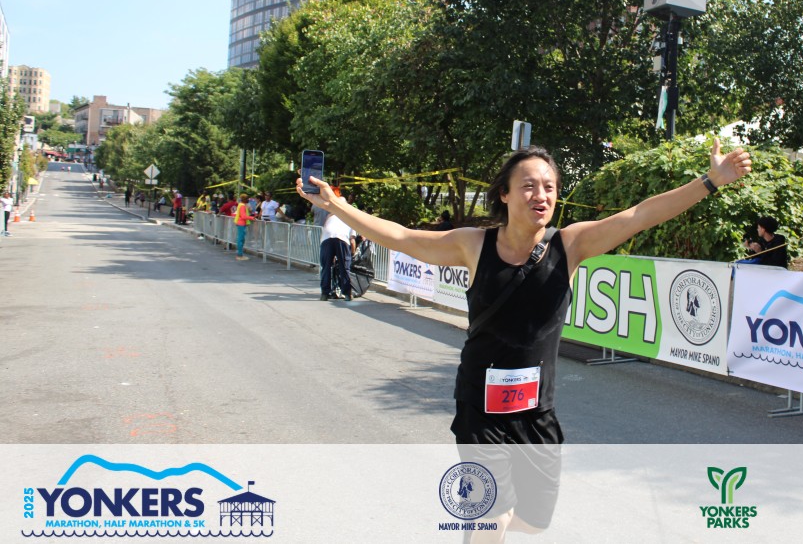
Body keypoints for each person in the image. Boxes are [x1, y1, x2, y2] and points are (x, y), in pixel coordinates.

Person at [298, 140, 751, 538]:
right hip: (480, 405)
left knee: (534, 521)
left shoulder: (570, 245)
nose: (542, 195)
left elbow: (639, 215)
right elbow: (401, 237)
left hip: (537, 410)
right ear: (505, 194)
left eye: (549, 187)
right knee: (492, 514)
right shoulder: (473, 244)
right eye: (530, 186)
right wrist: (337, 206)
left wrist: (709, 182)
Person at [319, 206, 356, 301]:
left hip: (326, 239)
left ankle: (324, 294)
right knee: (344, 267)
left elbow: (324, 232)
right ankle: (347, 294)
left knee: (326, 267)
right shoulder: (350, 219)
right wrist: (352, 253)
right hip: (342, 239)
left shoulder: (330, 216)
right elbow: (352, 241)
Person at [234, 193, 254, 261]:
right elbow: (243, 216)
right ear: (244, 199)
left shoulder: (241, 205)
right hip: (241, 224)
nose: (248, 200)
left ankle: (240, 254)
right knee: (241, 239)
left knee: (241, 239)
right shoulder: (242, 206)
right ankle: (240, 255)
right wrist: (251, 218)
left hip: (240, 223)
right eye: (247, 199)